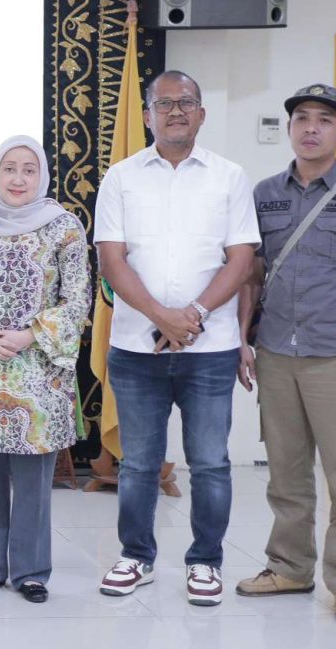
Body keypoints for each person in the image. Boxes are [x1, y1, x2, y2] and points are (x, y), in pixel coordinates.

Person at [94, 71, 259, 606]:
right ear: (147, 115)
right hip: (136, 348)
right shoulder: (120, 177)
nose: (175, 111)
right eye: (164, 104)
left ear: (202, 113)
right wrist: (161, 316)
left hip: (209, 350)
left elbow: (242, 259)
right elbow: (112, 259)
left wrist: (194, 314)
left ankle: (205, 562)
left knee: (209, 462)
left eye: (186, 102)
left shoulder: (230, 177)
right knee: (139, 463)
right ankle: (136, 557)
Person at [236, 84, 336, 627]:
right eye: (301, 118)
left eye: (324, 120)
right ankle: (289, 567)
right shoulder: (265, 194)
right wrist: (243, 339)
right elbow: (253, 273)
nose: (311, 128)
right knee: (285, 475)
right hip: (276, 352)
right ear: (289, 128)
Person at [0, 136, 92, 604]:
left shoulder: (64, 228)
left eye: (29, 169)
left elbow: (78, 298)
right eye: (10, 168)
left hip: (39, 371)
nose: (19, 178)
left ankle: (30, 571)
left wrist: (30, 335)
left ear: (42, 175)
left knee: (32, 480)